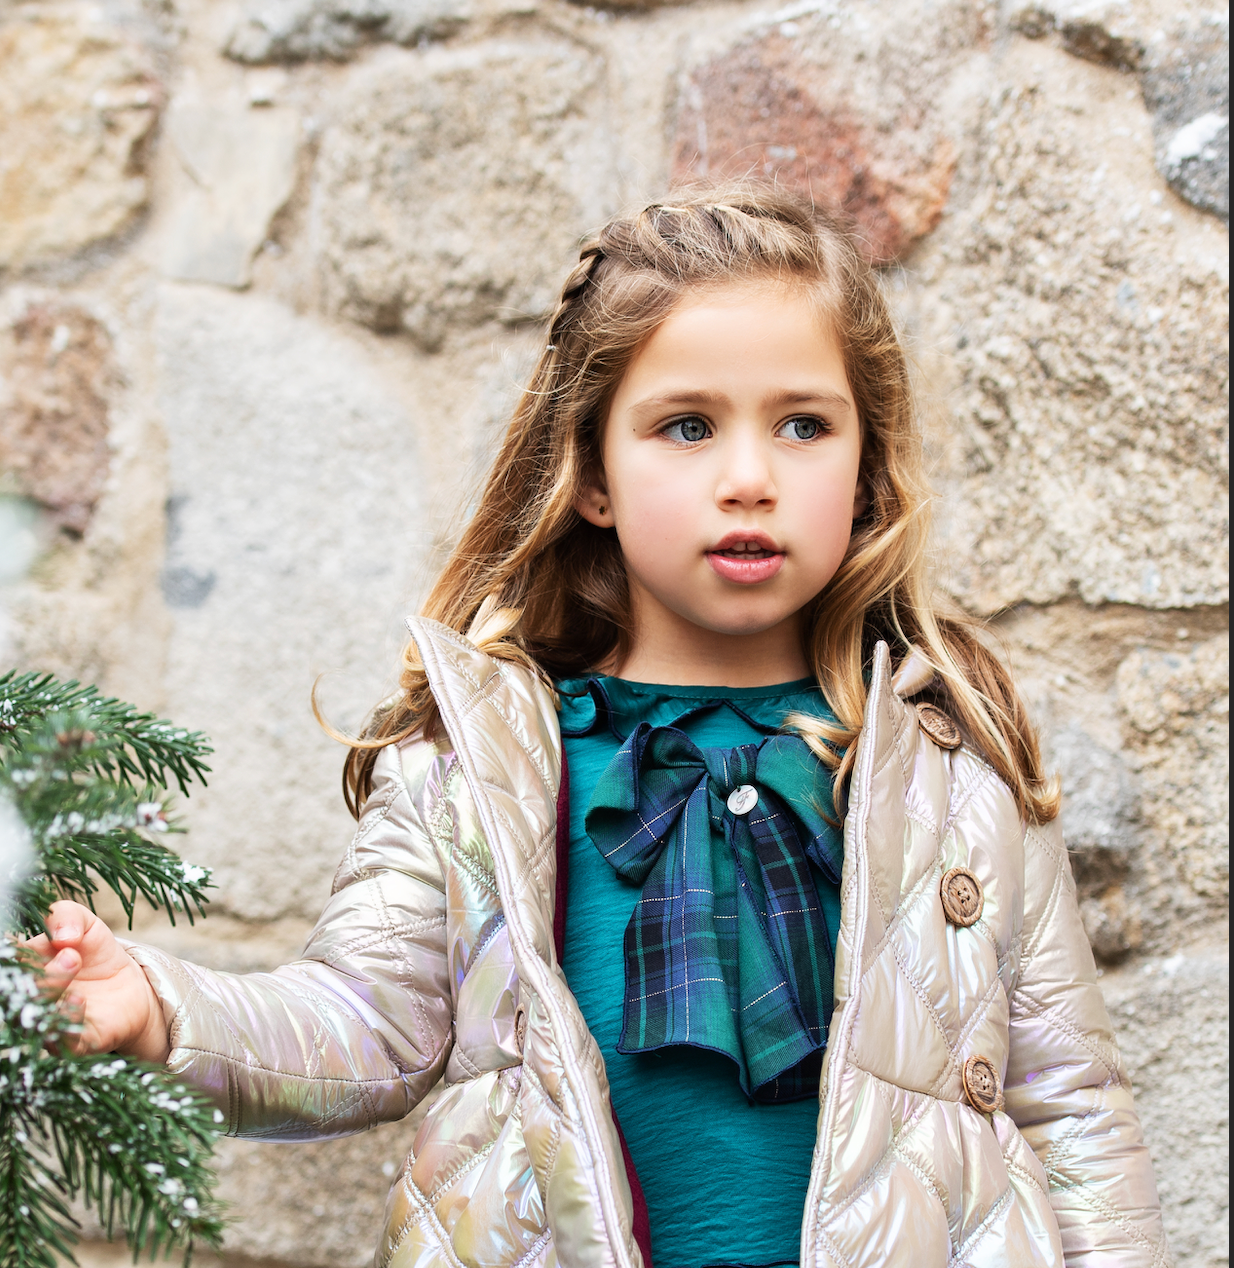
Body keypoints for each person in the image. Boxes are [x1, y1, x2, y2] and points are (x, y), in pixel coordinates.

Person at [30, 186, 1168, 1267]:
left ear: (866, 467)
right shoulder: (475, 764)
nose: (749, 476)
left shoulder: (945, 758)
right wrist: (165, 1003)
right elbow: (360, 1022)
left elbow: (1068, 1102)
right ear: (592, 474)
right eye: (685, 425)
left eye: (804, 425)